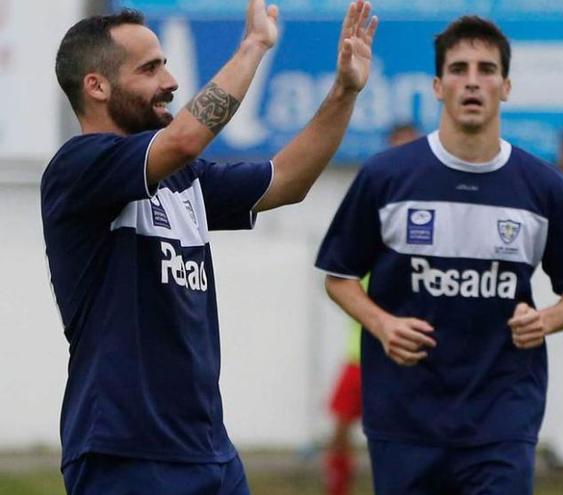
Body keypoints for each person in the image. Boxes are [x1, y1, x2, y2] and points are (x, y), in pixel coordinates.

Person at [42, 1, 378, 494]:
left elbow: (286, 180)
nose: (171, 80)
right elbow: (185, 140)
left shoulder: (183, 179)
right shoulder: (78, 169)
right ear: (96, 85)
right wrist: (254, 46)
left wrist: (344, 93)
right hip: (126, 450)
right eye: (150, 68)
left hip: (208, 450)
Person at [315, 16, 563, 495]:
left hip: (501, 416)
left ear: (505, 86)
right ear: (437, 85)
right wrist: (383, 325)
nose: (473, 80)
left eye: (487, 69)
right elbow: (338, 276)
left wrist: (547, 320)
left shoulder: (544, 187)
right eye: (459, 68)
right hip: (404, 416)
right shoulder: (386, 177)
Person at [322, 123, 421, 495]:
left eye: (410, 149)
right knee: (339, 429)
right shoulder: (369, 206)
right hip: (362, 352)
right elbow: (338, 276)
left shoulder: (432, 209)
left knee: (412, 435)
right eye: (397, 150)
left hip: (411, 351)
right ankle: (338, 487)